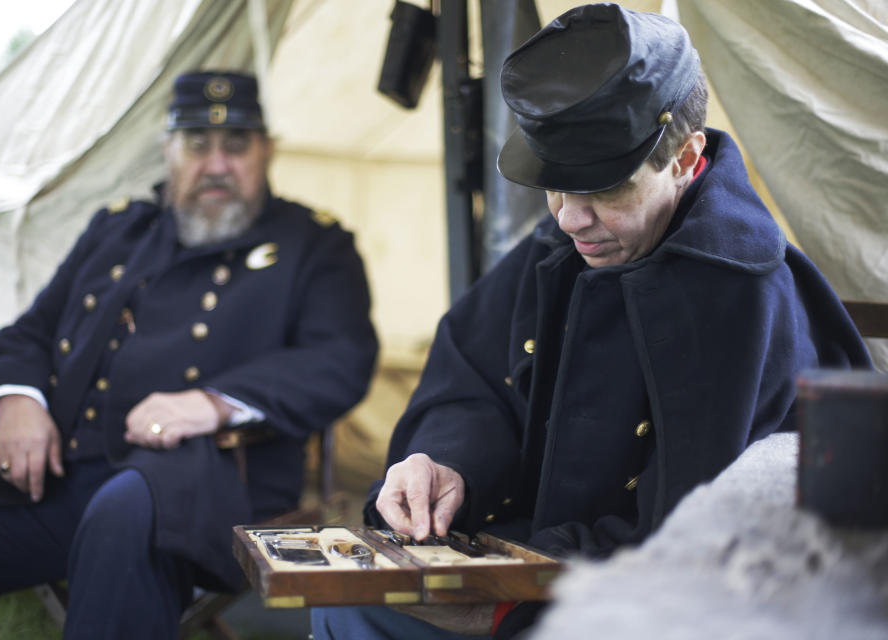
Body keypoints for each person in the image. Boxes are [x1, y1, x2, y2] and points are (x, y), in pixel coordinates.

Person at [311, 4, 871, 639]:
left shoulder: (743, 298)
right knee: (344, 605)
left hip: (640, 603)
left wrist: (505, 605)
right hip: (528, 562)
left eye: (604, 189)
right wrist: (444, 464)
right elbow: (476, 380)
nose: (568, 219)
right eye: (554, 186)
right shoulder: (567, 242)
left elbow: (685, 542)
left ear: (686, 161)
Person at [0, 70, 378, 638]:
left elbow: (341, 357)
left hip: (206, 482)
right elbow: (29, 333)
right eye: (196, 144)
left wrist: (213, 402)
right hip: (60, 474)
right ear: (168, 151)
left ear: (266, 151)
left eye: (236, 145)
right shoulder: (117, 230)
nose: (216, 164)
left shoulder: (312, 244)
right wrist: (16, 400)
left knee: (129, 516)